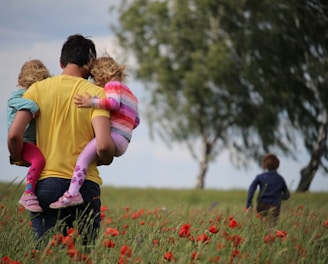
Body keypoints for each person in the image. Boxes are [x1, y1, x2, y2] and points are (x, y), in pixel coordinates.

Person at [7, 34, 115, 246]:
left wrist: (18, 156)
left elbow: (13, 135)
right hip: (85, 187)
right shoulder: (97, 95)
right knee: (83, 256)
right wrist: (108, 156)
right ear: (90, 64)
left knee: (47, 255)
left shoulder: (37, 90)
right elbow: (103, 145)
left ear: (60, 62)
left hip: (46, 184)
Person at [50, 54, 140, 209]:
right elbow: (136, 121)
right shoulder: (131, 95)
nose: (94, 83)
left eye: (95, 78)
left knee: (82, 159)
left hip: (114, 136)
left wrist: (90, 102)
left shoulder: (113, 86)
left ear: (102, 75)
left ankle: (72, 193)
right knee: (91, 157)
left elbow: (113, 103)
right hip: (124, 140)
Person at [7, 59, 50, 212]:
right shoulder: (20, 95)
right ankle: (28, 193)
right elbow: (13, 101)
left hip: (32, 141)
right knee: (39, 160)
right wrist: (33, 106)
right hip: (24, 141)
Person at [246, 153, 290, 222]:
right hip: (275, 205)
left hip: (262, 205)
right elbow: (287, 195)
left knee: (261, 226)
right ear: (277, 165)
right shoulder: (280, 179)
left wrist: (249, 203)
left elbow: (252, 189)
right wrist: (278, 197)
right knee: (272, 226)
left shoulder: (260, 177)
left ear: (264, 164)